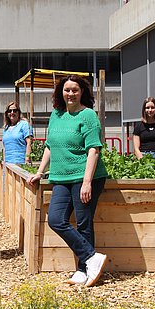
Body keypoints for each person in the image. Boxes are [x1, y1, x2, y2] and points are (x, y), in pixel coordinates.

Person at [27, 75, 109, 287]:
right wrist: (40, 172)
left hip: (85, 176)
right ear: (60, 93)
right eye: (67, 90)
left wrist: (87, 182)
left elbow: (94, 149)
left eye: (75, 90)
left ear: (82, 92)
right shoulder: (57, 115)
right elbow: (49, 146)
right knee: (56, 219)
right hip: (61, 177)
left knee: (83, 223)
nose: (70, 94)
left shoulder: (88, 115)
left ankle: (83, 270)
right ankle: (92, 257)